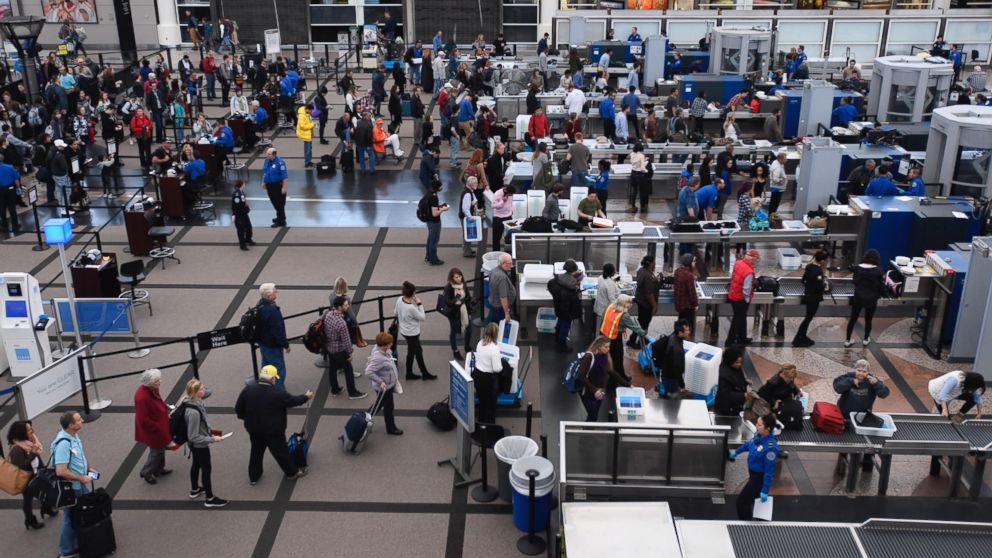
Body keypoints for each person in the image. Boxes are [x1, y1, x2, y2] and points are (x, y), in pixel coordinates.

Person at [235, 365, 314, 484]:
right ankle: (292, 472)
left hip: (254, 429)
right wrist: (306, 397)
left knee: (256, 451)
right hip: (273, 430)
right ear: (272, 379)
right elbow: (293, 401)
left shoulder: (248, 389)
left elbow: (238, 408)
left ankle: (254, 477)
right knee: (281, 452)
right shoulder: (277, 393)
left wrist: (247, 420)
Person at [53, 410, 100, 555]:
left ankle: (81, 538)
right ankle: (66, 551)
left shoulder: (73, 436)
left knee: (81, 510)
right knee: (70, 516)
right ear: (71, 425)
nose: (82, 421)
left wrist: (87, 469)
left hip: (79, 484)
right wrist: (81, 478)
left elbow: (78, 457)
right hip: (72, 488)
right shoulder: (64, 444)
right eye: (79, 420)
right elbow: (60, 470)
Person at [175, 380, 228, 508]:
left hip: (195, 444)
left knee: (196, 464)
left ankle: (194, 490)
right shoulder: (193, 412)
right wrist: (212, 439)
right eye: (202, 389)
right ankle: (209, 498)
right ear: (196, 392)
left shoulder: (187, 400)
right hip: (200, 445)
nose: (205, 391)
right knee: (206, 469)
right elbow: (194, 436)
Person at [729, 413, 779, 520]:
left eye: (759, 425)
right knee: (755, 502)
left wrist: (765, 490)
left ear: (768, 429)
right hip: (752, 475)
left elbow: (769, 472)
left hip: (758, 479)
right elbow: (749, 444)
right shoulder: (759, 436)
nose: (756, 426)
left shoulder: (771, 447)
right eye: (757, 423)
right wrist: (736, 452)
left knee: (742, 502)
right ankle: (757, 522)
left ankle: (746, 524)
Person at [577, 336, 631, 422]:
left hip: (599, 391)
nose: (608, 349)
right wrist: (594, 390)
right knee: (593, 415)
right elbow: (581, 376)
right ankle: (586, 433)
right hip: (587, 391)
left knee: (594, 415)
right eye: (606, 347)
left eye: (609, 346)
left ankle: (588, 431)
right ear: (599, 346)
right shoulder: (589, 357)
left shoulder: (605, 357)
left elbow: (612, 373)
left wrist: (628, 385)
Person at [7, 420, 49, 530]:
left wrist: (42, 468)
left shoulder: (27, 441)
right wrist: (33, 453)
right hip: (27, 480)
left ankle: (46, 508)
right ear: (21, 433)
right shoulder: (16, 450)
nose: (32, 431)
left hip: (36, 475)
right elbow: (22, 465)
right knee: (28, 500)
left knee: (44, 492)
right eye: (29, 430)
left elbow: (36, 458)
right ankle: (30, 520)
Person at [322, 296, 367, 398]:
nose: (348, 306)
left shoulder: (328, 314)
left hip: (329, 347)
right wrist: (350, 353)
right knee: (348, 370)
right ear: (339, 307)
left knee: (332, 368)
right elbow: (346, 340)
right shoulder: (341, 323)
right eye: (346, 305)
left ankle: (335, 389)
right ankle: (353, 392)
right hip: (339, 350)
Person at [134, 369, 173, 485]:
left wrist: (165, 407)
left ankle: (159, 469)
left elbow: (158, 401)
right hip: (153, 430)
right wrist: (157, 427)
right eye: (157, 381)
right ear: (150, 383)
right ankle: (146, 472)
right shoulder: (142, 397)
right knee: (156, 452)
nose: (160, 382)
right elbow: (143, 420)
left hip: (158, 425)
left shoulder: (152, 389)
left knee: (160, 450)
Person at [600, 294, 647, 382]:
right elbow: (635, 328)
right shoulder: (624, 315)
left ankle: (611, 374)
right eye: (629, 302)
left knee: (609, 357)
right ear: (624, 304)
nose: (631, 304)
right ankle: (619, 378)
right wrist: (643, 333)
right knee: (618, 358)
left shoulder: (610, 306)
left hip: (603, 334)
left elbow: (604, 318)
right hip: (614, 338)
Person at [396, 282, 437, 380]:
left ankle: (424, 372)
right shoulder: (411, 308)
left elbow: (395, 312)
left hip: (404, 330)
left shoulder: (399, 300)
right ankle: (410, 374)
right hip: (412, 333)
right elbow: (422, 317)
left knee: (418, 350)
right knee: (412, 352)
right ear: (413, 294)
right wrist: (419, 304)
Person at [844, 249, 885, 348]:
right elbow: (881, 286)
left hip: (858, 297)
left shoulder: (858, 268)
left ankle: (848, 340)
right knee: (868, 319)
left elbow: (855, 282)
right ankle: (866, 339)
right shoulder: (879, 270)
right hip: (871, 299)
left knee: (853, 319)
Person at [792, 250, 829, 347]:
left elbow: (803, 280)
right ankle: (798, 338)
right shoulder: (818, 271)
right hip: (814, 298)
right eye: (825, 260)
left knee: (808, 317)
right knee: (808, 318)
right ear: (821, 261)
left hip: (807, 295)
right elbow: (819, 287)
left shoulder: (809, 267)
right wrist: (825, 287)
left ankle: (803, 336)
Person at [257, 283, 290, 389]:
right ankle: (279, 397)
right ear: (269, 295)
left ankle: (265, 391)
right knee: (278, 371)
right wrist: (285, 345)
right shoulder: (272, 311)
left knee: (266, 368)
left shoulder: (260, 305)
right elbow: (278, 331)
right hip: (273, 345)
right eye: (275, 291)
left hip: (263, 343)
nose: (277, 292)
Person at [727, 249, 760, 347]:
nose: (757, 261)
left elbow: (734, 277)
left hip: (733, 294)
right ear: (753, 258)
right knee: (737, 320)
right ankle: (729, 341)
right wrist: (747, 300)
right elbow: (746, 289)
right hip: (740, 299)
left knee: (741, 317)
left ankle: (743, 338)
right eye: (756, 258)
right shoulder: (749, 272)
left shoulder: (738, 263)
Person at [472, 323, 503, 424]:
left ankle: (481, 420)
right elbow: (497, 368)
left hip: (477, 374)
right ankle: (490, 424)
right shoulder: (494, 349)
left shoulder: (480, 343)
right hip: (487, 379)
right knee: (490, 404)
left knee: (482, 400)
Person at [550, 259, 583, 352]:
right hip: (568, 307)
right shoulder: (573, 281)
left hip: (559, 305)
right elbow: (576, 291)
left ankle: (557, 337)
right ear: (574, 268)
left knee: (560, 320)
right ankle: (562, 344)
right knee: (566, 325)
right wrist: (577, 281)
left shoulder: (559, 277)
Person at [714, 347, 751, 416]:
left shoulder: (734, 367)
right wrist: (743, 396)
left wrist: (745, 382)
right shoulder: (724, 375)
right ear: (730, 361)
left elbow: (737, 379)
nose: (739, 364)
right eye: (737, 362)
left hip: (735, 406)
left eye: (740, 362)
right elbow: (726, 395)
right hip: (727, 409)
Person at [632, 256, 659, 348]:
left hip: (640, 300)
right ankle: (640, 341)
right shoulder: (647, 276)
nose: (655, 263)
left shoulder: (641, 270)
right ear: (650, 263)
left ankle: (633, 339)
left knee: (641, 321)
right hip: (646, 303)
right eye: (654, 262)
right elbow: (649, 294)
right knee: (644, 323)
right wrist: (654, 305)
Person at [660, 319, 691, 396]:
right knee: (674, 397)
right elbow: (677, 370)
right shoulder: (677, 350)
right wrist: (682, 385)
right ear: (680, 333)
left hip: (666, 372)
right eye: (687, 330)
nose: (689, 332)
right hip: (671, 378)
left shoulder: (674, 336)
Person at [261, 148, 288, 227]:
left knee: (279, 203)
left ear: (274, 155)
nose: (267, 155)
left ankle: (281, 221)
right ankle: (281, 216)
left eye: (269, 154)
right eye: (267, 153)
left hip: (277, 185)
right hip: (269, 185)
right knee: (274, 202)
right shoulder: (266, 161)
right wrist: (263, 182)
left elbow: (285, 176)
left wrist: (284, 187)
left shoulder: (280, 163)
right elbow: (265, 172)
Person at [674, 253, 699, 335]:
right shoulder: (688, 275)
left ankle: (678, 334)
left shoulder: (677, 271)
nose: (695, 263)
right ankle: (685, 338)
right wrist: (695, 304)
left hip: (679, 304)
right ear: (690, 263)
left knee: (681, 321)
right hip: (687, 306)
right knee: (686, 325)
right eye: (694, 261)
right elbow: (692, 292)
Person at [423, 177, 447, 266]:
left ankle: (428, 256)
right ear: (437, 187)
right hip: (434, 222)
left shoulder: (429, 193)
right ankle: (433, 259)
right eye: (440, 186)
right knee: (434, 240)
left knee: (430, 239)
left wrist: (439, 206)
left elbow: (432, 207)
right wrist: (443, 209)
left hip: (429, 220)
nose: (442, 187)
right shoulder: (434, 197)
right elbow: (435, 214)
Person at [488, 253, 516, 323]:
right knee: (499, 327)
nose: (511, 265)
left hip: (494, 305)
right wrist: (506, 313)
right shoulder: (502, 278)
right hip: (500, 308)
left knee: (494, 323)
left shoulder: (493, 270)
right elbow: (503, 297)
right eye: (509, 263)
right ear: (504, 264)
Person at [594, 263, 620, 334]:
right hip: (606, 309)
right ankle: (603, 343)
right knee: (605, 329)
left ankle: (597, 342)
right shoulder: (610, 284)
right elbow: (612, 299)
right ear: (611, 272)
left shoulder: (600, 278)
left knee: (598, 327)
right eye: (614, 271)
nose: (615, 272)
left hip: (600, 307)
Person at [230, 179, 255, 251]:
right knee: (241, 230)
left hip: (244, 214)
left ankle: (248, 239)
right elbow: (237, 206)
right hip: (239, 215)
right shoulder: (237, 194)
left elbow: (244, 202)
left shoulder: (241, 192)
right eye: (244, 183)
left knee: (248, 227)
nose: (245, 184)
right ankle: (242, 245)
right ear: (241, 184)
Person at [491, 184, 515, 253]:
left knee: (509, 235)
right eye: (510, 194)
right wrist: (502, 201)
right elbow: (493, 206)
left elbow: (510, 203)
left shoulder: (511, 194)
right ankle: (496, 253)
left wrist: (511, 210)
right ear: (506, 191)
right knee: (496, 237)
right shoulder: (497, 194)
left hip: (508, 216)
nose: (511, 196)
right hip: (498, 218)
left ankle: (509, 252)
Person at [0, 158, 20, 233]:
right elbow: (16, 179)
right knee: (12, 207)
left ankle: (4, 224)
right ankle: (15, 224)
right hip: (10, 189)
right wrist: (18, 188)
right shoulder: (10, 167)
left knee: (2, 207)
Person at [296, 103, 315, 168]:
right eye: (311, 111)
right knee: (307, 150)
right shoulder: (302, 116)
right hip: (305, 135)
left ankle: (309, 161)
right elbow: (302, 126)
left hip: (308, 134)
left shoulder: (306, 114)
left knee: (309, 149)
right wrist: (312, 125)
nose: (311, 112)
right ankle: (307, 163)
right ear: (307, 109)